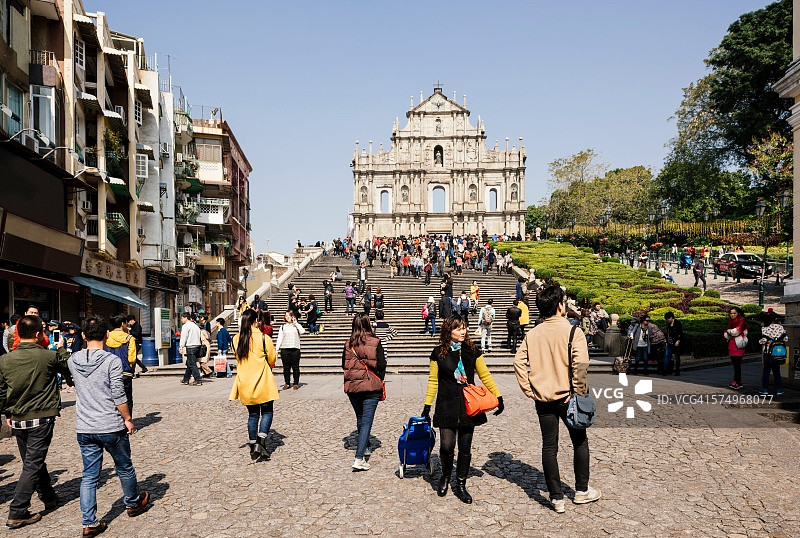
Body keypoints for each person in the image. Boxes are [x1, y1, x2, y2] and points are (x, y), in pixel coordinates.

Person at [512, 285, 599, 513]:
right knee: (579, 442)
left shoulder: (533, 333)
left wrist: (529, 389)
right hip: (568, 397)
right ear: (560, 305)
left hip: (543, 398)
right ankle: (581, 491)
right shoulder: (573, 332)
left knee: (549, 446)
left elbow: (518, 362)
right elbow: (580, 366)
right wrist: (578, 392)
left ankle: (556, 497)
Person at [68, 316, 150, 536]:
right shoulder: (111, 361)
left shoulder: (73, 360)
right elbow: (118, 394)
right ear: (106, 335)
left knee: (89, 475)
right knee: (124, 466)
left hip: (85, 426)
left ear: (83, 335)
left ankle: (89, 522)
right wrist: (128, 418)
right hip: (110, 425)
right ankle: (133, 502)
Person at [422, 314, 503, 503]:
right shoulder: (438, 353)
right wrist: (427, 406)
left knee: (465, 447)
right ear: (448, 330)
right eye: (458, 328)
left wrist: (498, 396)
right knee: (446, 446)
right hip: (446, 404)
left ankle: (460, 484)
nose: (463, 331)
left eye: (464, 327)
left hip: (469, 406)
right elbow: (433, 381)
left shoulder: (472, 351)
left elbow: (485, 375)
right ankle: (445, 477)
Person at [0, 315, 71, 529]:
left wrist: (7, 413)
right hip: (41, 417)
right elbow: (69, 368)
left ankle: (48, 496)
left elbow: (2, 391)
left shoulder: (5, 360)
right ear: (39, 333)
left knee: (32, 460)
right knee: (33, 463)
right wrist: (60, 348)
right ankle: (17, 510)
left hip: (17, 418)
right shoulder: (48, 356)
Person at [230, 309, 279, 461]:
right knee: (267, 412)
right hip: (262, 382)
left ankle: (252, 445)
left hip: (245, 383)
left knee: (252, 415)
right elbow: (272, 359)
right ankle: (261, 441)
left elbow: (235, 355)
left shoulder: (236, 339)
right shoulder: (264, 338)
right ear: (255, 322)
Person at [342, 313, 387, 471]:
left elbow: (343, 364)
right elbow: (382, 364)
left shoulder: (349, 343)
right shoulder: (375, 341)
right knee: (366, 421)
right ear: (369, 324)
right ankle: (359, 458)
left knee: (360, 418)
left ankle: (366, 446)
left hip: (353, 387)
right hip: (370, 387)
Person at [105, 314, 137, 414]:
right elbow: (132, 359)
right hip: (125, 372)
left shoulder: (106, 337)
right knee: (127, 399)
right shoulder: (129, 338)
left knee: (111, 399)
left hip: (109, 373)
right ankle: (127, 420)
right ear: (123, 324)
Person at [275, 310, 305, 390]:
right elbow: (279, 338)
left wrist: (296, 323)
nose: (287, 317)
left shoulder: (296, 326)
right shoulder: (283, 327)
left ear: (292, 316)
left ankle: (296, 383)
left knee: (295, 367)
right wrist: (276, 349)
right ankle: (287, 383)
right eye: (286, 316)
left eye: (289, 316)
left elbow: (302, 331)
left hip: (295, 348)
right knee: (286, 368)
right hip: (285, 348)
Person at [759, 310, 786, 395]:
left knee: (766, 370)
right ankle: (779, 389)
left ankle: (765, 389)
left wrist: (761, 341)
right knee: (776, 370)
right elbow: (785, 338)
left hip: (768, 352)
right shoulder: (780, 327)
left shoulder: (764, 328)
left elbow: (763, 340)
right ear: (775, 319)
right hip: (778, 353)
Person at [724, 307, 748, 390]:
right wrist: (730, 332)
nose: (732, 315)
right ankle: (738, 381)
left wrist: (730, 332)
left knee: (737, 365)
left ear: (738, 313)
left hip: (739, 345)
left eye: (734, 313)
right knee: (735, 365)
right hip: (732, 345)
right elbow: (726, 333)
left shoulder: (741, 320)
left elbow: (735, 332)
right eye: (731, 313)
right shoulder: (731, 322)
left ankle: (737, 381)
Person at [179, 312, 203, 386]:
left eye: (182, 318)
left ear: (186, 318)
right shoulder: (195, 326)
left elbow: (184, 337)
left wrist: (181, 347)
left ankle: (198, 379)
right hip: (197, 345)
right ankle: (186, 379)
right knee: (189, 363)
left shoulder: (186, 326)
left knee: (192, 364)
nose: (181, 320)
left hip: (191, 346)